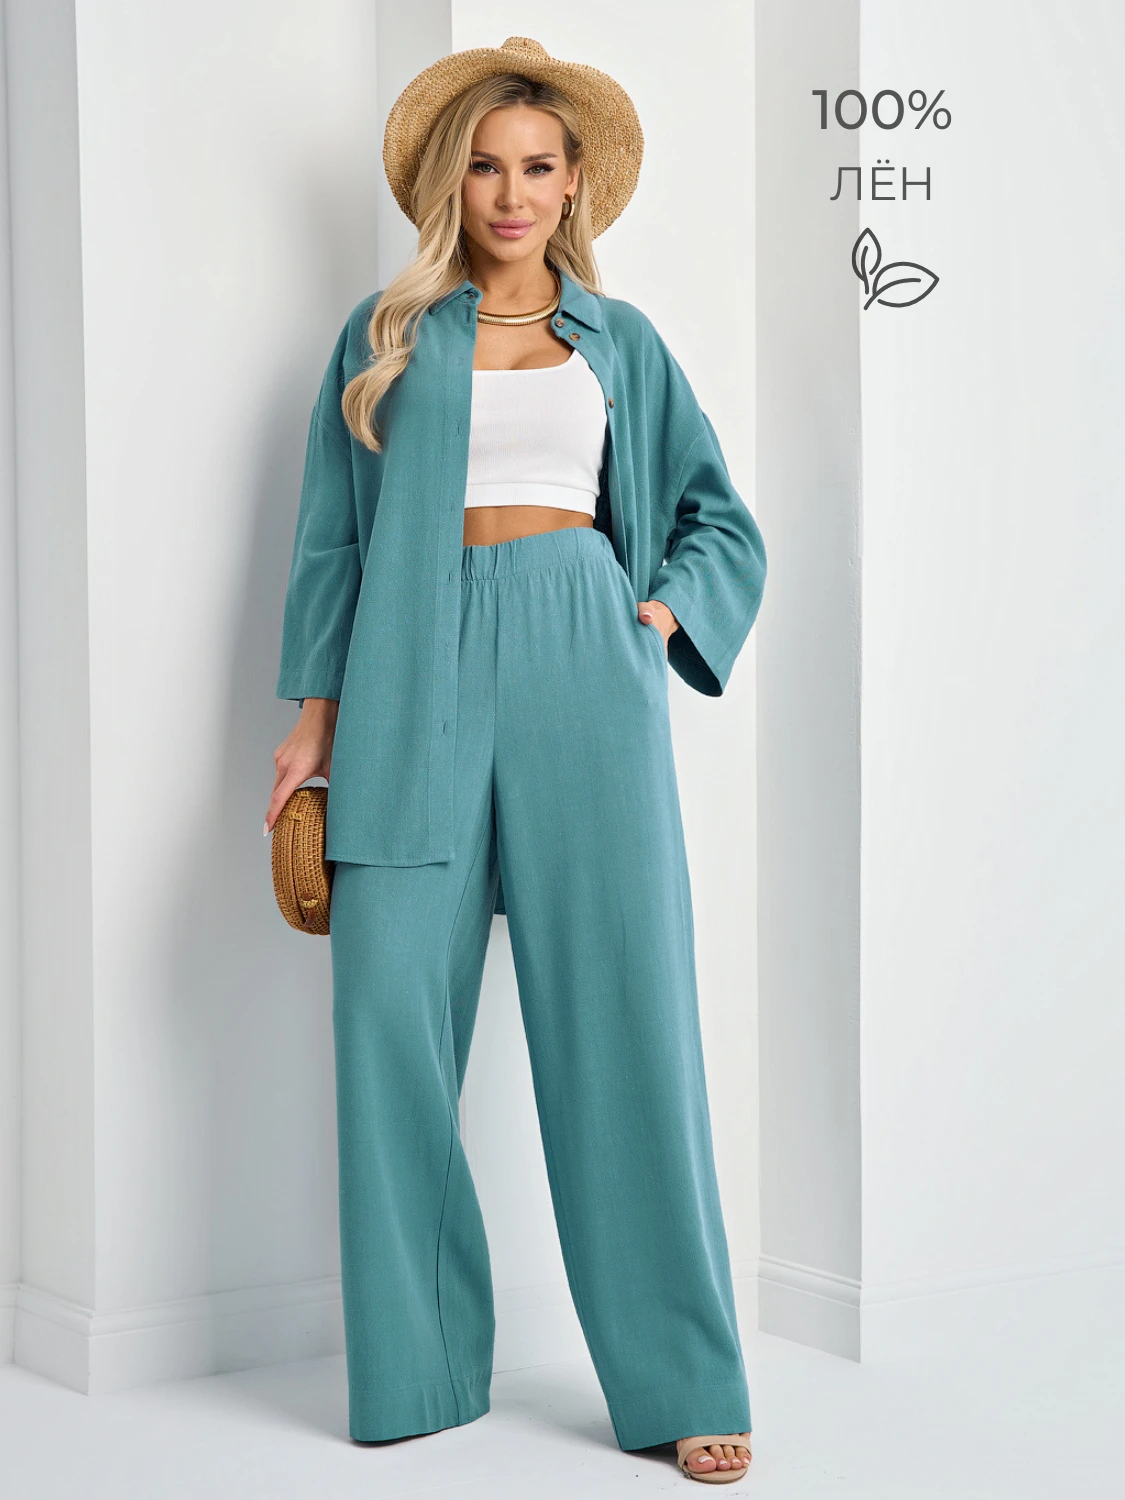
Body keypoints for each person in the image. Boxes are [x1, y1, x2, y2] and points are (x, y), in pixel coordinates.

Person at [265, 36, 765, 1485]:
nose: (511, 192)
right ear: (452, 182)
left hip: (580, 663)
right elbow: (332, 539)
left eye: (537, 167)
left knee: (625, 1022)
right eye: (486, 166)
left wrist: (650, 617)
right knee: (388, 1021)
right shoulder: (384, 336)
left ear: (575, 183)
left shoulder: (623, 343)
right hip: (406, 669)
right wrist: (311, 724)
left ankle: (681, 1377)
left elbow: (718, 519)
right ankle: (420, 1368)